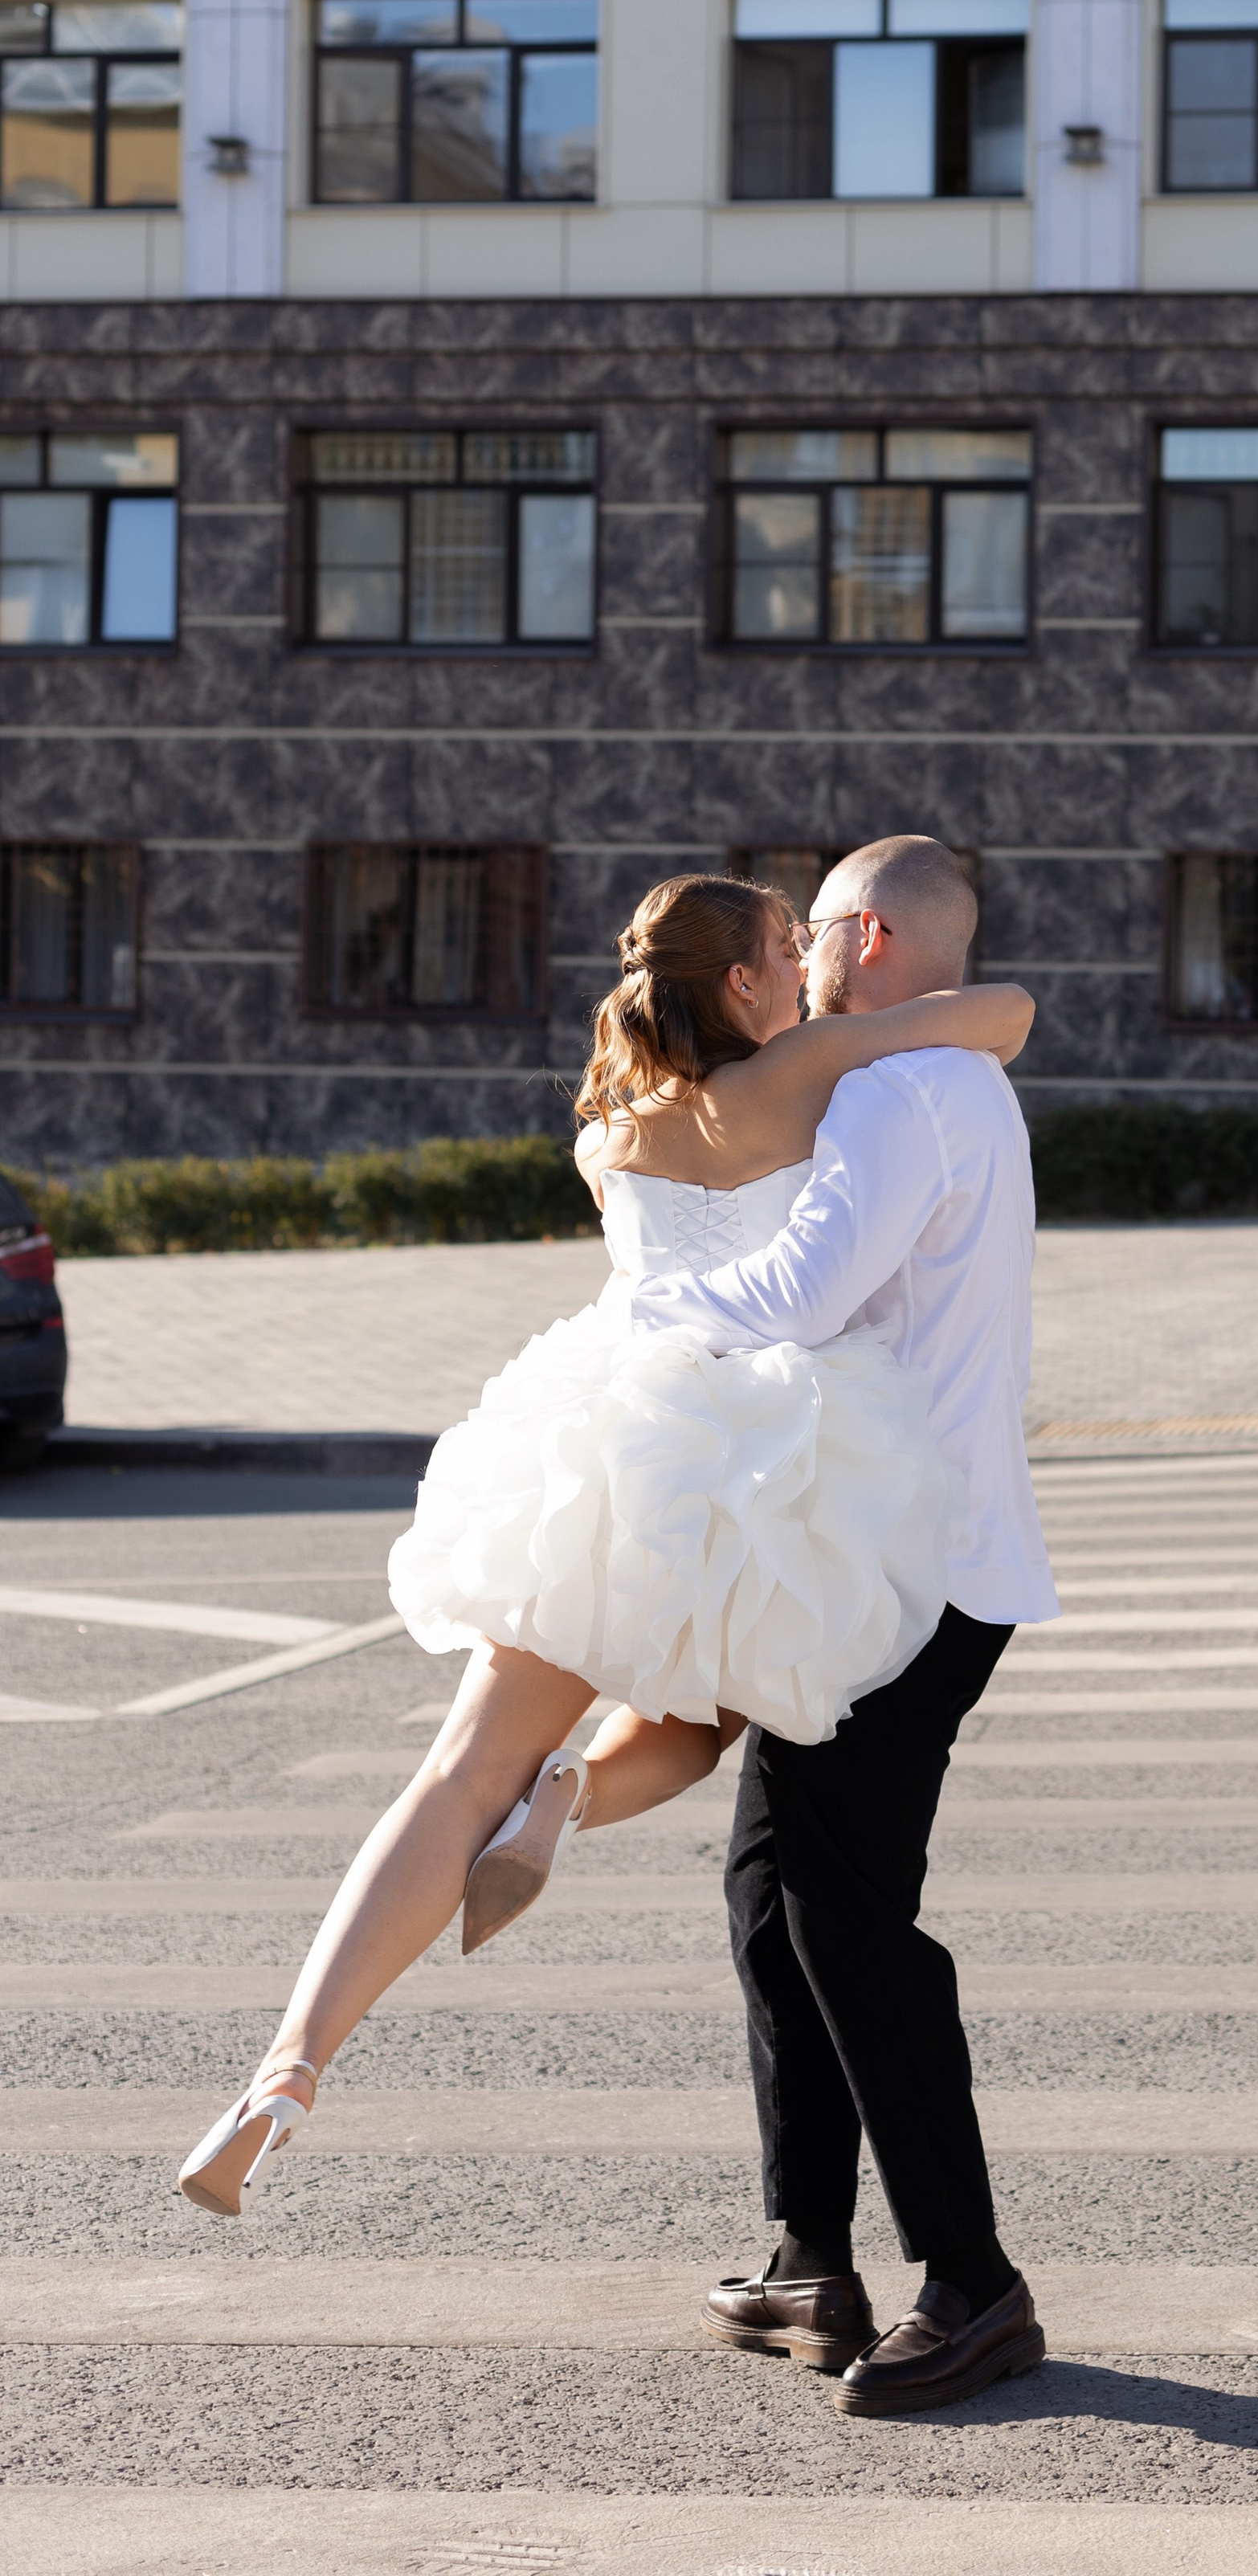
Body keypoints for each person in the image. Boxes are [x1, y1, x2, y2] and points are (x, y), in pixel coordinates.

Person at [177, 868, 1034, 2222]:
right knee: (710, 1722)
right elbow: (998, 1011)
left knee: (457, 1769)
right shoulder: (800, 1079)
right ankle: (567, 1798)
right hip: (770, 1462)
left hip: (606, 1445)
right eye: (783, 942)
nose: (806, 954)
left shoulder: (612, 1134)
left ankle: (290, 2062)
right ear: (749, 984)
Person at [626, 835, 1059, 2420]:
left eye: (814, 928)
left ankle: (972, 2282)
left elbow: (802, 1292)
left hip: (906, 1570)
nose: (798, 953)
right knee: (773, 1891)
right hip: (889, 1557)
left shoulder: (895, 1092)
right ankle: (808, 2247)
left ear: (865, 936)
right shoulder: (946, 1076)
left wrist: (632, 1325)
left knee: (841, 1915)